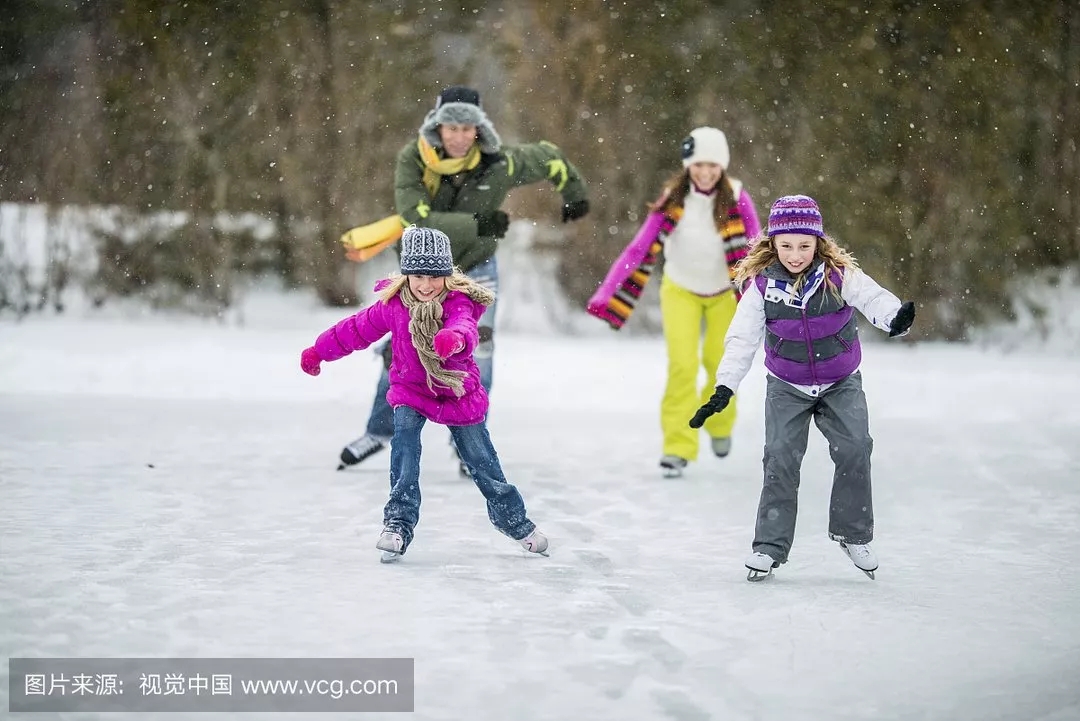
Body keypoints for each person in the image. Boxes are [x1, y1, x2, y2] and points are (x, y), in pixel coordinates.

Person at [339, 85, 591, 476]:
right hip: (419, 276)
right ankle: (379, 431)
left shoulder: (500, 163)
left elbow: (549, 158)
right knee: (401, 350)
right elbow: (416, 219)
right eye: (450, 127)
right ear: (437, 128)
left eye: (466, 128)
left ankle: (468, 445)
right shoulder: (414, 159)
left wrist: (574, 193)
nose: (458, 136)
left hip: (476, 272)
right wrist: (478, 223)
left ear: (478, 129)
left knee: (479, 351)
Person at [689, 194, 916, 580]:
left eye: (804, 246)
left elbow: (872, 298)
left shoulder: (838, 275)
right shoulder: (761, 286)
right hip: (786, 387)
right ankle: (768, 548)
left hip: (840, 382)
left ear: (818, 242)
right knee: (779, 458)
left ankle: (852, 533)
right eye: (787, 246)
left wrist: (894, 317)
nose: (795, 254)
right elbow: (741, 339)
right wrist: (724, 387)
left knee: (856, 447)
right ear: (773, 243)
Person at [301, 226, 550, 563]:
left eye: (436, 275)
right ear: (406, 274)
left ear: (448, 275)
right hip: (411, 390)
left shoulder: (459, 301)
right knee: (404, 449)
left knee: (481, 461)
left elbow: (465, 326)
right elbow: (356, 329)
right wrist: (319, 352)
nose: (426, 284)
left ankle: (515, 522)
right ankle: (398, 524)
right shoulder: (394, 306)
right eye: (418, 274)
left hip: (457, 391)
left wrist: (455, 340)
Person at [586, 127, 760, 478]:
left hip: (726, 293)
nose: (706, 172)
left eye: (712, 165)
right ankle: (677, 448)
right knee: (682, 367)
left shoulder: (737, 197)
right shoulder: (673, 199)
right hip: (680, 291)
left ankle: (721, 423)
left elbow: (758, 247)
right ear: (688, 166)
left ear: (722, 166)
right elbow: (638, 248)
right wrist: (606, 292)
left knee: (718, 363)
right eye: (698, 165)